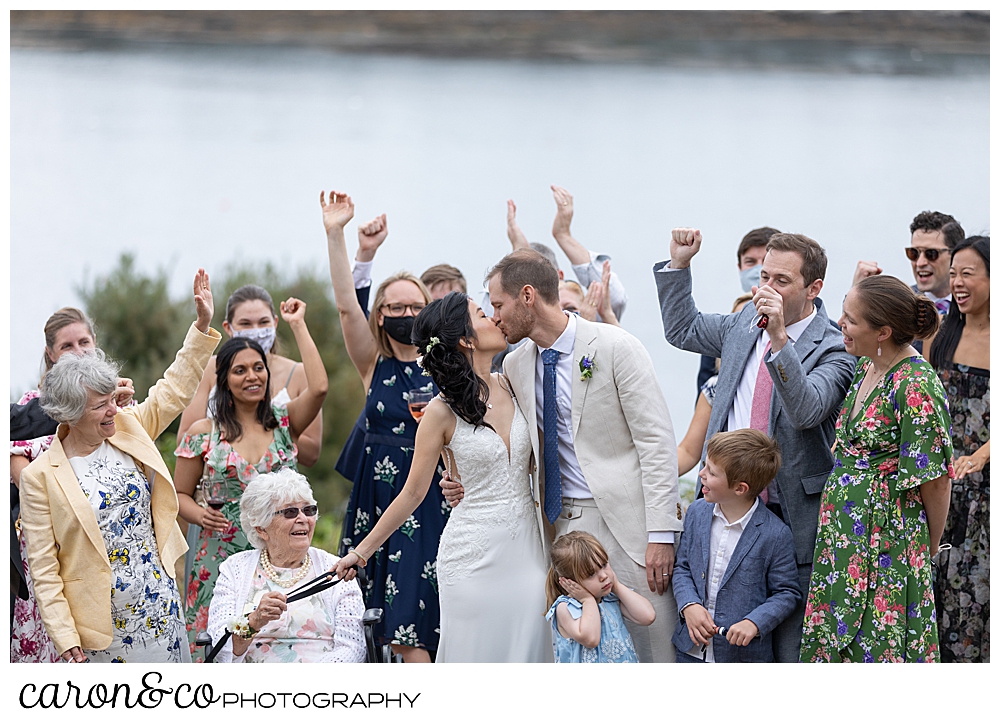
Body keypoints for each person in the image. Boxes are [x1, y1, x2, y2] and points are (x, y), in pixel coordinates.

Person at [447, 248, 682, 662]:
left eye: (498, 305)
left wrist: (661, 534)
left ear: (527, 296)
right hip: (559, 529)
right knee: (582, 652)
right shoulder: (516, 364)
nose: (494, 317)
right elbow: (498, 433)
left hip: (630, 524)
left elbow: (657, 444)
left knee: (652, 645)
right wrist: (459, 476)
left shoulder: (615, 346)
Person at [654, 229, 856, 662]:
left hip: (793, 514)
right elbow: (682, 329)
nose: (767, 289)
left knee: (788, 643)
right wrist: (680, 265)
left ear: (814, 288)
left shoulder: (836, 348)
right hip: (727, 504)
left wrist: (781, 340)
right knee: (721, 631)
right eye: (764, 277)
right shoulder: (743, 324)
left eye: (782, 281)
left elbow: (807, 411)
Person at [336, 292, 551, 662]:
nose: (496, 319)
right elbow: (412, 493)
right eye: (484, 314)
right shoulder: (439, 412)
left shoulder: (515, 382)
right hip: (470, 557)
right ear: (466, 339)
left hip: (529, 553)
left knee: (530, 653)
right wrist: (360, 552)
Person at [19, 270, 221, 663]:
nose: (115, 409)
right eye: (101, 406)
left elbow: (173, 390)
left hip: (161, 610)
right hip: (102, 631)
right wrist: (64, 636)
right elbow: (44, 569)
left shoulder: (127, 427)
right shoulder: (39, 477)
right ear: (72, 414)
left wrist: (200, 327)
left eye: (113, 399)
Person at [320, 190, 447, 663]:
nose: (405, 315)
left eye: (415, 307)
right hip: (376, 500)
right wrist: (342, 239)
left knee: (419, 622)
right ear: (381, 316)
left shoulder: (447, 367)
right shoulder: (373, 363)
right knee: (373, 624)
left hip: (430, 499)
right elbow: (345, 309)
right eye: (394, 308)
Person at [800, 275, 953, 663]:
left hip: (888, 541)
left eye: (850, 320)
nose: (840, 325)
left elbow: (934, 480)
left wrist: (926, 548)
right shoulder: (866, 367)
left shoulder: (916, 384)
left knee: (877, 643)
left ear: (882, 331)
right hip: (844, 536)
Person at [174, 296, 327, 653]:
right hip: (218, 556)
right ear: (224, 380)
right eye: (239, 370)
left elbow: (319, 388)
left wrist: (298, 324)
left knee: (280, 643)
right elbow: (177, 495)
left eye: (258, 368)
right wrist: (201, 515)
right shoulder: (202, 432)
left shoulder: (284, 422)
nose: (252, 376)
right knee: (219, 646)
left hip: (280, 557)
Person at [11, 308, 135, 663]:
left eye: (85, 342)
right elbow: (14, 457)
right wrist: (59, 498)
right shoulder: (30, 409)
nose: (78, 351)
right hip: (55, 537)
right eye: (67, 346)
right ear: (50, 354)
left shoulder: (114, 402)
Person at [205, 468, 366, 663]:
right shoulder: (234, 569)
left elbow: (352, 647)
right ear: (262, 529)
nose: (303, 519)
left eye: (308, 510)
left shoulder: (336, 569)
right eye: (290, 512)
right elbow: (221, 651)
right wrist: (254, 621)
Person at [672, 429, 801, 663]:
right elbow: (682, 567)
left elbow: (787, 592)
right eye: (704, 465)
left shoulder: (776, 533)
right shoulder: (696, 513)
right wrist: (688, 605)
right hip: (689, 650)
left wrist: (754, 622)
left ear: (740, 488)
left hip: (742, 657)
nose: (701, 474)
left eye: (711, 472)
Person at [178, 284, 324, 467]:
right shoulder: (209, 368)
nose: (255, 330)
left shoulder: (299, 373)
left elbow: (311, 454)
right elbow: (185, 441)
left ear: (275, 323)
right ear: (228, 328)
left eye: (263, 323)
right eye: (246, 324)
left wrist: (267, 426)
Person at [928, 236, 990, 663]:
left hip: (984, 494)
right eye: (953, 274)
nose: (957, 282)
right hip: (941, 487)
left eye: (968, 273)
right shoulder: (941, 335)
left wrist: (982, 456)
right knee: (935, 600)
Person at [544, 531, 655, 663]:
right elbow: (591, 639)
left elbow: (647, 616)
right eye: (591, 574)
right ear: (570, 581)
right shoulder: (565, 608)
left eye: (604, 565)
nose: (603, 576)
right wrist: (587, 600)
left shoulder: (609, 599)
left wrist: (617, 586)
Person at [697, 227, 781, 392]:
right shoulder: (721, 333)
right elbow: (703, 400)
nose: (758, 270)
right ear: (739, 266)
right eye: (750, 262)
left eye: (765, 261)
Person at [677, 293, 752, 477]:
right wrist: (645, 472)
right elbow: (688, 451)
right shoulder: (714, 389)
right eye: (736, 324)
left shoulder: (785, 383)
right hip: (723, 491)